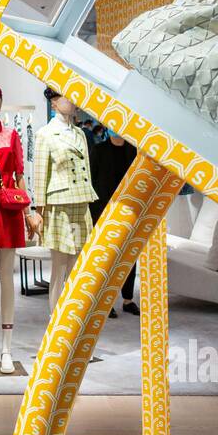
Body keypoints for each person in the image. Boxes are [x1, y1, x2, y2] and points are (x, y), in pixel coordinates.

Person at [89, 129, 139, 318]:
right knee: (106, 258)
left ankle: (128, 299)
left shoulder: (133, 151)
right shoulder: (99, 149)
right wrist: (95, 212)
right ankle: (105, 300)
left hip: (129, 210)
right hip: (103, 210)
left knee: (129, 257)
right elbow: (92, 181)